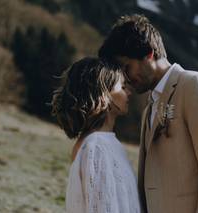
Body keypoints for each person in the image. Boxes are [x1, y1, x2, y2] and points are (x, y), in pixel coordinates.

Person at [98, 14, 198, 213]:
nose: (125, 78)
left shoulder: (196, 86)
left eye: (127, 67)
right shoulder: (149, 107)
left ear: (149, 54)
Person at [51, 57, 141, 213]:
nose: (129, 92)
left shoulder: (107, 142)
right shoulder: (95, 146)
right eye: (123, 87)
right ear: (103, 94)